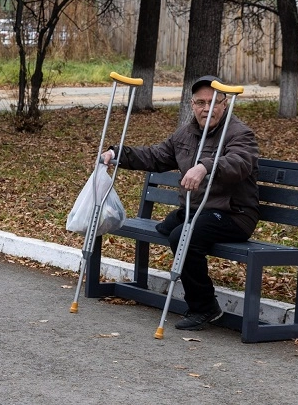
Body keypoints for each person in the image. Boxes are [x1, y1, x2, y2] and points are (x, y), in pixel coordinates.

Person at [101, 75, 260, 331]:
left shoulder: (239, 134)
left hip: (234, 214)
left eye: (214, 102)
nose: (207, 109)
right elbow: (156, 156)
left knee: (182, 236)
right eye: (200, 103)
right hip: (199, 209)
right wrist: (118, 154)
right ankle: (181, 227)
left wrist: (204, 167)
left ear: (225, 103)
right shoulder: (186, 133)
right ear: (192, 104)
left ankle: (205, 307)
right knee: (168, 228)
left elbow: (240, 163)